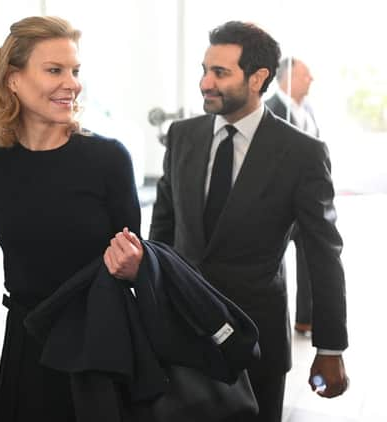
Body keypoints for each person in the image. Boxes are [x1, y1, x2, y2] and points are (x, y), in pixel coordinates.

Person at [106, 21, 348, 422]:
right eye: (204, 70)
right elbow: (162, 233)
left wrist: (329, 348)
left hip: (255, 342)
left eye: (220, 73)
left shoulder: (302, 153)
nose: (205, 83)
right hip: (179, 333)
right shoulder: (182, 136)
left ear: (258, 78)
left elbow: (323, 254)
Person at [0, 16, 140, 421]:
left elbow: (136, 264)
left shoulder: (108, 159)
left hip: (97, 344)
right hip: (27, 343)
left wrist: (135, 264)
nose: (71, 83)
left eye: (75, 71)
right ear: (13, 80)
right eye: (55, 70)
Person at [267, 57, 318, 336]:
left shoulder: (308, 109)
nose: (311, 80)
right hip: (279, 203)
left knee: (311, 260)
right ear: (287, 78)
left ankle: (305, 318)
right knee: (273, 263)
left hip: (307, 204)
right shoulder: (270, 110)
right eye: (305, 75)